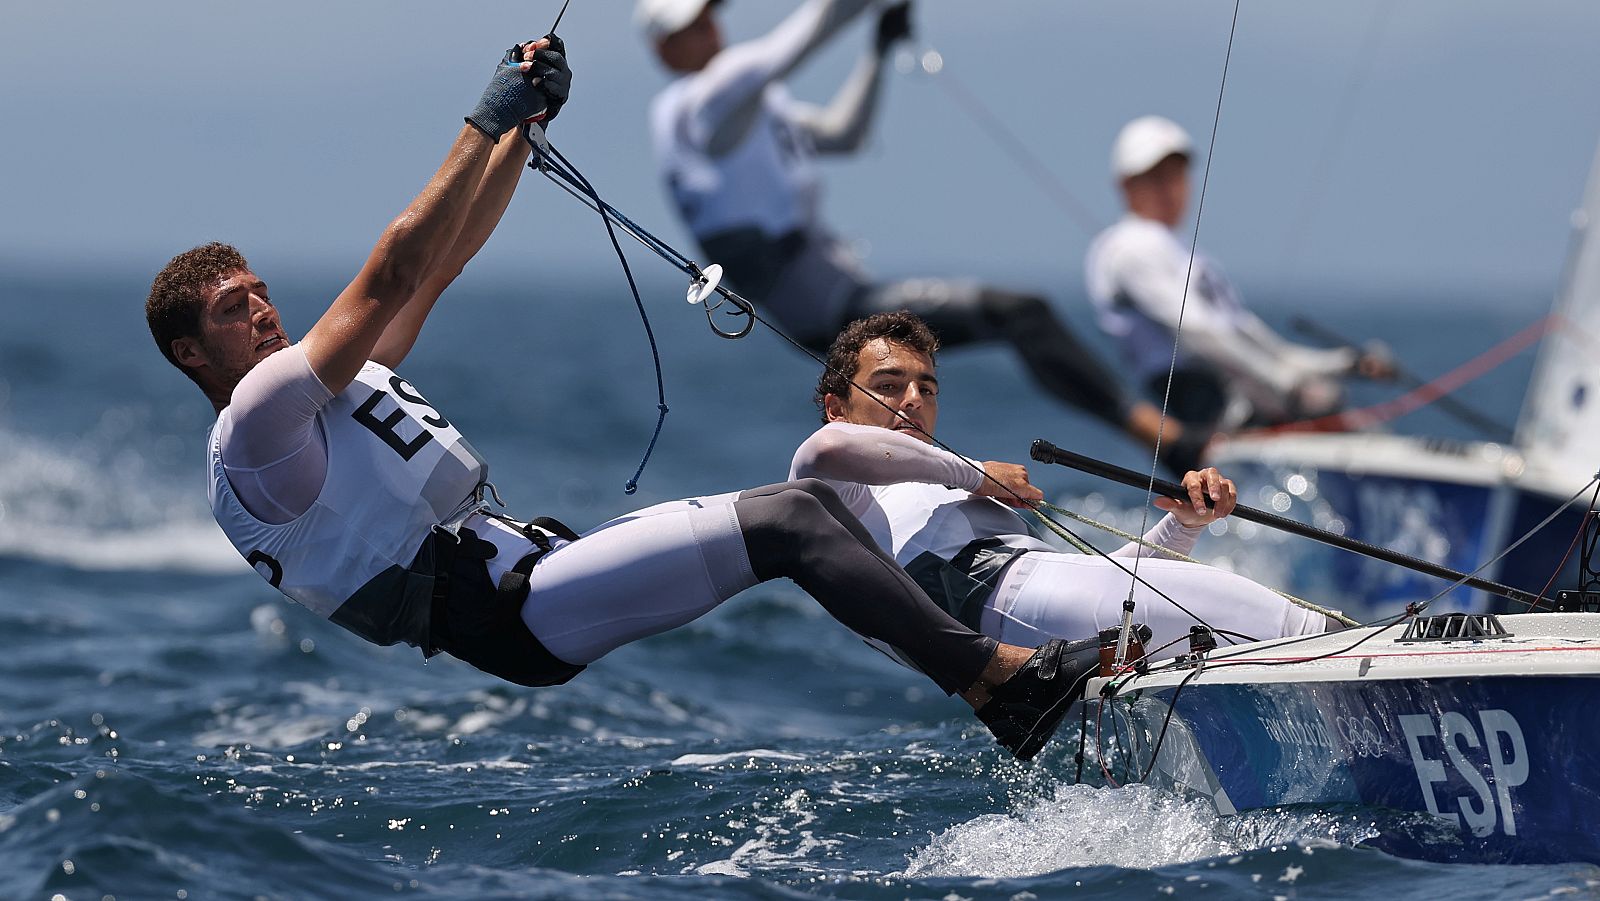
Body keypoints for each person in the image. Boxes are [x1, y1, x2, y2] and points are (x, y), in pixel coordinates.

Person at [143, 36, 1102, 762]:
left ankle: (997, 672)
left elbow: (438, 266)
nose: (264, 313)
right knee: (788, 520)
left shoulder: (313, 390)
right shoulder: (256, 424)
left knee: (797, 516)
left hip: (532, 572)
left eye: (263, 292)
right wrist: (481, 118)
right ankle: (996, 683)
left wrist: (521, 134)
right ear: (191, 350)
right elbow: (394, 266)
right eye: (236, 309)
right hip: (500, 607)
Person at [640, 0, 1205, 473]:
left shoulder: (750, 108)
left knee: (1016, 317)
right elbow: (794, 43)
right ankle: (1171, 441)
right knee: (1020, 312)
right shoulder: (699, 106)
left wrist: (878, 48)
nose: (709, 30)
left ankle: (1168, 436)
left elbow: (846, 134)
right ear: (663, 50)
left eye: (709, 17)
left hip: (842, 301)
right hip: (831, 312)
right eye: (690, 27)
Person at [789, 311, 1337, 663]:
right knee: (1300, 627)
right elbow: (825, 448)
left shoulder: (934, 482)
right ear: (837, 406)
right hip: (1008, 615)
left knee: (1285, 632)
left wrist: (1184, 524)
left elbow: (1103, 586)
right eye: (888, 386)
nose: (912, 399)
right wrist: (975, 474)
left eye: (926, 388)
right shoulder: (844, 496)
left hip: (1046, 618)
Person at [1085, 115, 1395, 432]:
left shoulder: (1188, 255)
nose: (1170, 188)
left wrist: (1345, 363)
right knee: (1330, 408)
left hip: (1243, 388)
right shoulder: (1130, 245)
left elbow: (1255, 340)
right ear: (1125, 185)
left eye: (1177, 175)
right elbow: (1197, 332)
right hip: (1202, 399)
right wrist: (1284, 382)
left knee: (1338, 406)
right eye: (1156, 177)